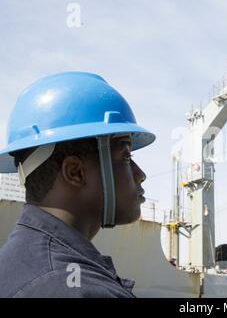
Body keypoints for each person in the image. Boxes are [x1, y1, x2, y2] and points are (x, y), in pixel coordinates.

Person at [0, 72, 155, 297]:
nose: (141, 174)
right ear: (76, 172)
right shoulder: (78, 289)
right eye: (126, 156)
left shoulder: (22, 261)